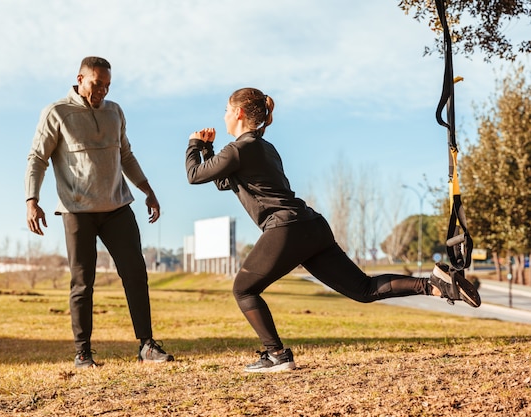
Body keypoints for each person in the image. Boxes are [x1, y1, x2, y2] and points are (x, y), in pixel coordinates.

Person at [185, 87, 480, 373]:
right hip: (312, 227)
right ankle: (434, 284)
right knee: (363, 289)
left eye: (225, 110)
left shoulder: (239, 148)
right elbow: (222, 180)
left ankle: (277, 355)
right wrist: (208, 149)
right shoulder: (262, 148)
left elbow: (194, 175)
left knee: (244, 289)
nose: (223, 116)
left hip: (285, 228)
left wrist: (194, 144)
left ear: (237, 112)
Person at [25, 56, 174, 368]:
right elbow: (38, 157)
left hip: (117, 206)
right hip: (77, 210)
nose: (102, 91)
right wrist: (32, 199)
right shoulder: (57, 113)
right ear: (80, 79)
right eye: (97, 84)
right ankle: (83, 352)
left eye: (107, 85)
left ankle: (147, 345)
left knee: (135, 273)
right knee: (83, 282)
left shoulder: (115, 112)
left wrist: (147, 189)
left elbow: (126, 154)